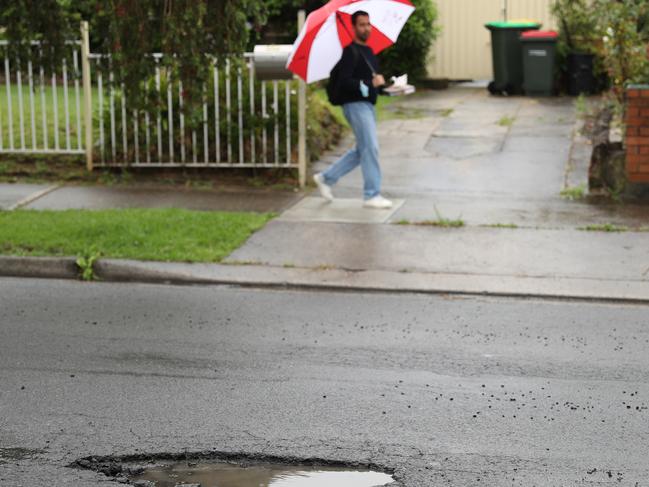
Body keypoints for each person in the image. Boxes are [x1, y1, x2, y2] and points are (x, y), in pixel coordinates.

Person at [313, 10, 393, 209]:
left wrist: (386, 86)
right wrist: (369, 82)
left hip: (367, 106)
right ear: (353, 27)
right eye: (361, 24)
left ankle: (325, 178)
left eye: (368, 24)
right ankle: (372, 195)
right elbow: (345, 82)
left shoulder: (370, 53)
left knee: (362, 151)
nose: (366, 28)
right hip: (354, 106)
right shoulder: (349, 52)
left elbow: (372, 84)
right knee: (371, 147)